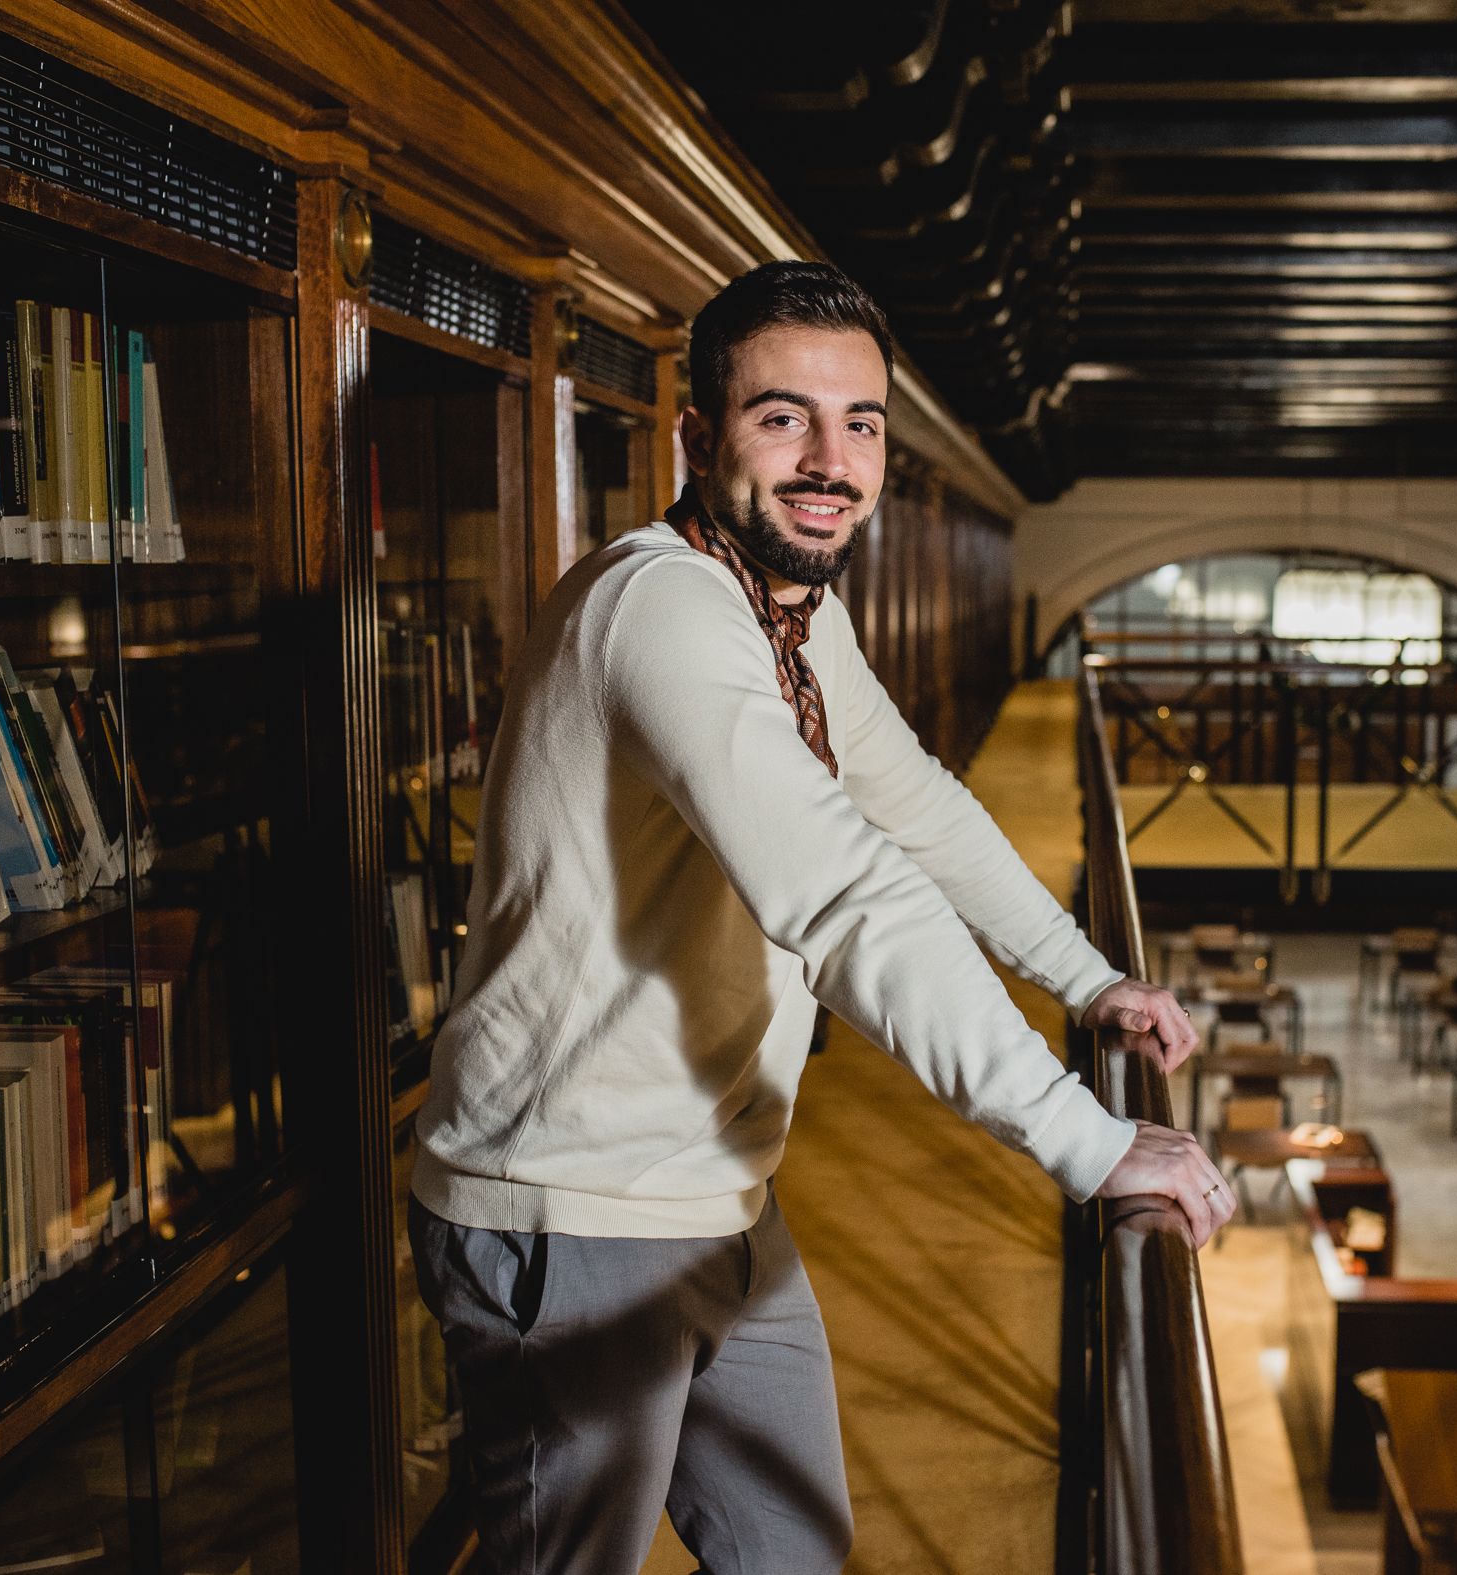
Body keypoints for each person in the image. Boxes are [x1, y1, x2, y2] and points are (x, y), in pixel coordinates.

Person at [408, 260, 1231, 1575]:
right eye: (782, 417)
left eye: (859, 426)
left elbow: (920, 811)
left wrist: (1087, 982)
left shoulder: (787, 611)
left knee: (792, 1553)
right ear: (697, 438)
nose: (828, 461)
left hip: (722, 1189)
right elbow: (847, 892)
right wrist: (1088, 1141)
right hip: (568, 1213)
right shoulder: (661, 608)